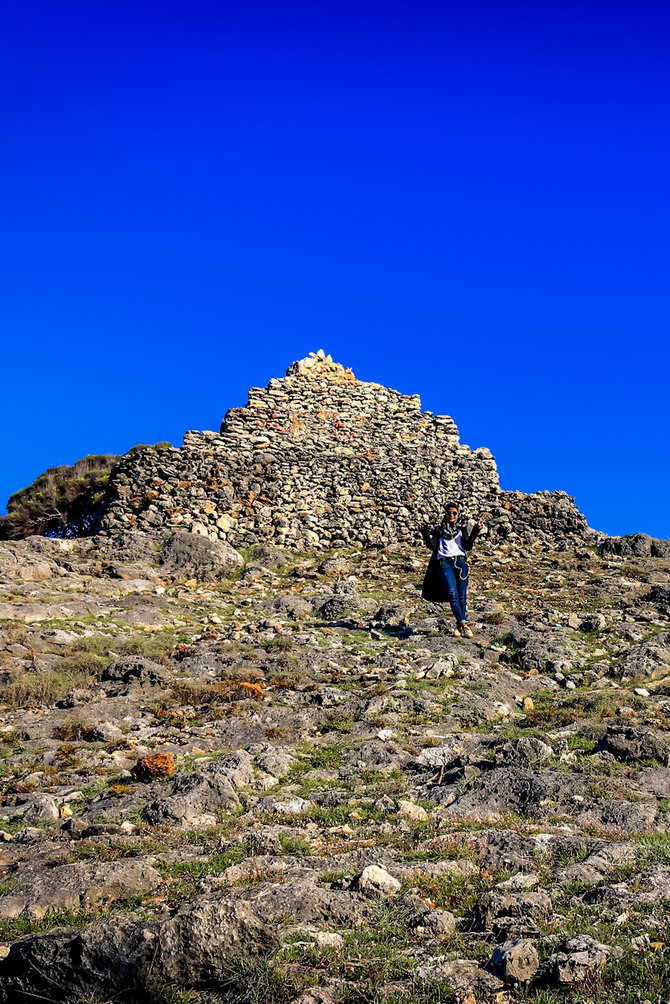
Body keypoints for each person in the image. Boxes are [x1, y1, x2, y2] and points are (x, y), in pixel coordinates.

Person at [421, 501, 484, 637]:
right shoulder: (439, 530)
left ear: (458, 514)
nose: (451, 515)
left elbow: (467, 546)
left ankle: (461, 623)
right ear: (445, 514)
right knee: (452, 593)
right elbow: (432, 546)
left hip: (460, 562)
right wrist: (425, 533)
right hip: (445, 562)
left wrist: (475, 531)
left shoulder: (462, 528)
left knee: (462, 595)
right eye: (449, 513)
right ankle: (462, 623)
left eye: (454, 513)